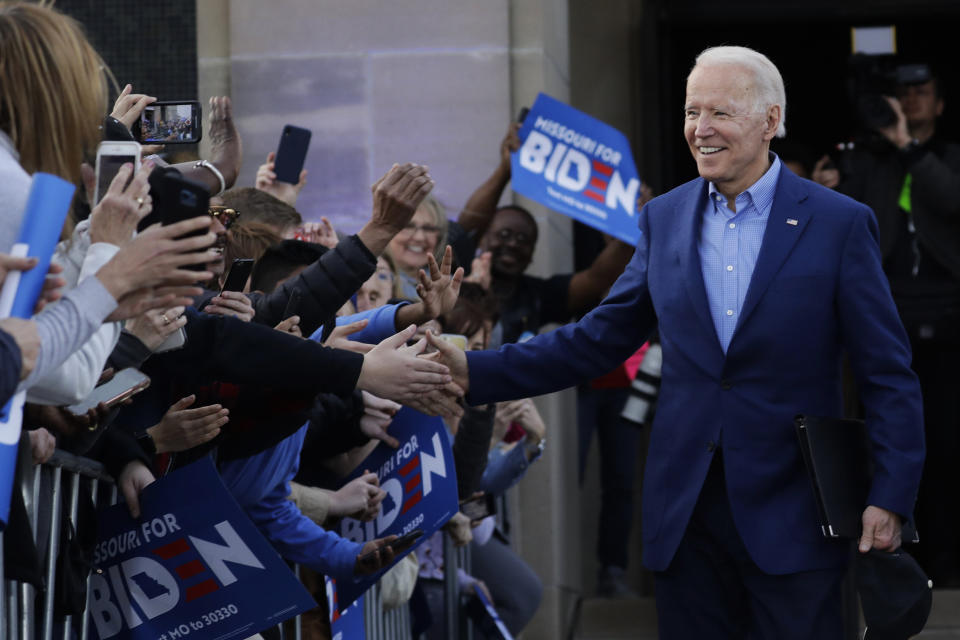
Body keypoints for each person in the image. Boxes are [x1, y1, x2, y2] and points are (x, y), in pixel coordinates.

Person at [427, 45, 925, 639]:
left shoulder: (839, 222)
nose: (701, 129)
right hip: (685, 515)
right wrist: (471, 369)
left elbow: (887, 375)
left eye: (720, 112)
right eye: (692, 112)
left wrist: (890, 495)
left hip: (797, 512)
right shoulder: (662, 218)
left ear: (771, 121)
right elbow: (595, 341)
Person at [812, 64, 960, 585]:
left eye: (922, 92)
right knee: (877, 438)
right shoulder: (864, 162)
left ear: (940, 104)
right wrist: (823, 187)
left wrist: (907, 145)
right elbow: (846, 229)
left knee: (944, 443)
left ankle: (945, 560)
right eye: (901, 94)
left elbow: (951, 201)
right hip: (883, 320)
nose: (911, 101)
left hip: (947, 324)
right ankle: (885, 557)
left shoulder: (948, 157)